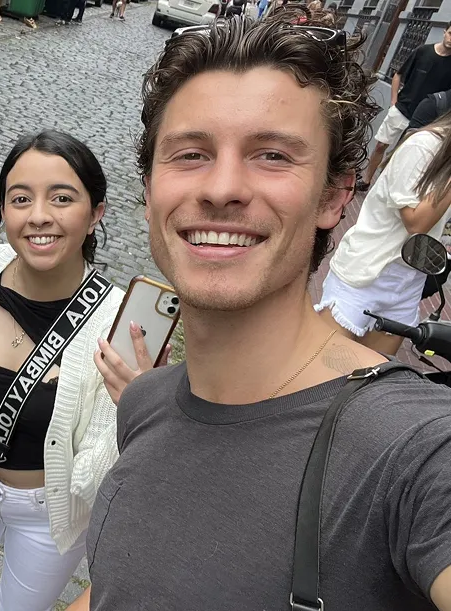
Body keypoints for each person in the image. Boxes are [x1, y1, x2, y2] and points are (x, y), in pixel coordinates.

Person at [70, 16, 451, 611]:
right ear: (147, 193)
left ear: (334, 196)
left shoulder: (411, 446)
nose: (222, 187)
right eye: (191, 154)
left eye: (272, 155)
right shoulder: (146, 403)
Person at [0, 130, 136, 611]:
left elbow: (107, 465)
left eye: (62, 198)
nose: (39, 215)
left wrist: (135, 408)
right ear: (3, 210)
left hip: (47, 511)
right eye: (21, 198)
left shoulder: (120, 323)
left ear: (96, 213)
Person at [316, 113, 451, 355]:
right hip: (365, 273)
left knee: (372, 373)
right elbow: (416, 222)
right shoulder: (423, 147)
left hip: (408, 281)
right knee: (322, 365)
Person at [357, 23, 451, 192]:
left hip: (424, 119)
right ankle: (366, 180)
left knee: (400, 155)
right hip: (402, 109)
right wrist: (394, 103)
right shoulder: (423, 52)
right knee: (381, 146)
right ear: (445, 32)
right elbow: (398, 75)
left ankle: (382, 188)